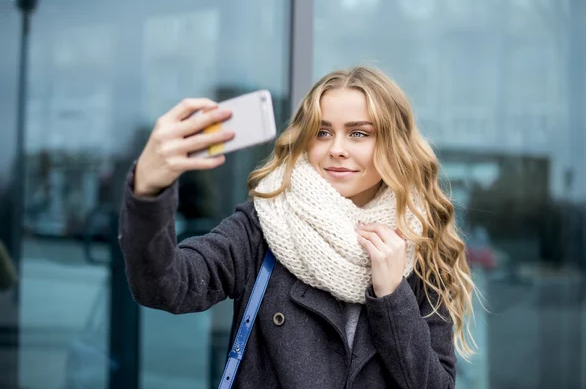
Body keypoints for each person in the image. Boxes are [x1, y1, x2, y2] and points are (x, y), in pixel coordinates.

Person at [119, 66, 476, 388]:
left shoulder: (416, 244)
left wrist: (392, 295)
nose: (336, 149)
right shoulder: (267, 223)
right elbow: (167, 286)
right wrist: (149, 190)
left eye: (358, 134)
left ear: (393, 145)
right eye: (322, 132)